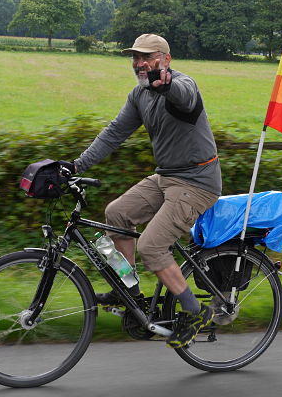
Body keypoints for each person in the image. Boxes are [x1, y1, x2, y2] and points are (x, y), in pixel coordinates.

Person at [64, 33, 222, 349]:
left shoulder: (182, 85)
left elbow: (184, 97)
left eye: (147, 57)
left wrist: (166, 85)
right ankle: (129, 289)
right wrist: (76, 166)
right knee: (116, 213)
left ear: (166, 60)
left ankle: (195, 311)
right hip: (166, 177)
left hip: (197, 182)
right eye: (135, 57)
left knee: (151, 246)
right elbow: (113, 134)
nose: (139, 63)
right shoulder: (140, 95)